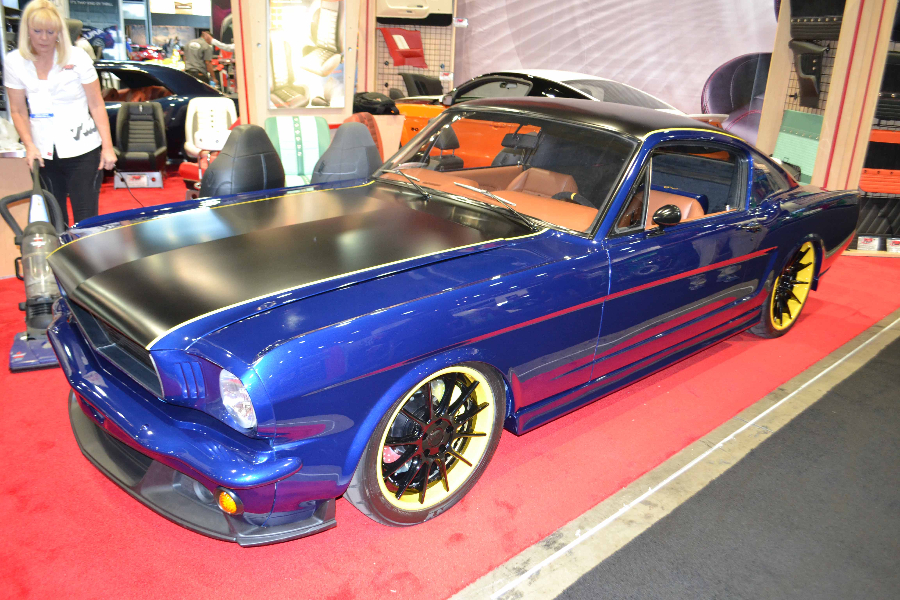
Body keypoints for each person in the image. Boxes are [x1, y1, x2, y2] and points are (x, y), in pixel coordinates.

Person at [3, 0, 116, 225]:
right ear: (27, 30)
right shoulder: (14, 61)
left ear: (59, 32)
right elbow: (17, 110)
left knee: (87, 220)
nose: (44, 38)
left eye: (50, 32)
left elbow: (96, 104)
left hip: (83, 148)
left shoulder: (77, 57)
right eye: (37, 31)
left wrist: (108, 147)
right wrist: (29, 145)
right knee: (56, 221)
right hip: (43, 153)